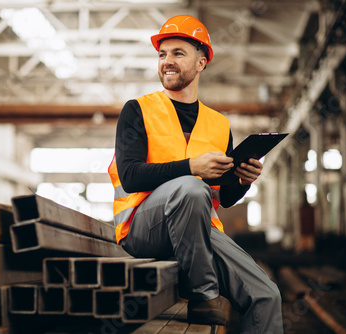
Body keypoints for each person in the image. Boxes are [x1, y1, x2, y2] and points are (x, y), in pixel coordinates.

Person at [108, 15, 283, 333]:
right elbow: (130, 176)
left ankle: (208, 289)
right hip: (144, 229)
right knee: (191, 187)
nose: (167, 62)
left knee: (266, 295)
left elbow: (225, 196)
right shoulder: (137, 110)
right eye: (162, 54)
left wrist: (242, 180)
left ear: (201, 63)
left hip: (198, 233)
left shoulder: (218, 124)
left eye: (177, 53)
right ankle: (204, 296)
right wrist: (191, 168)